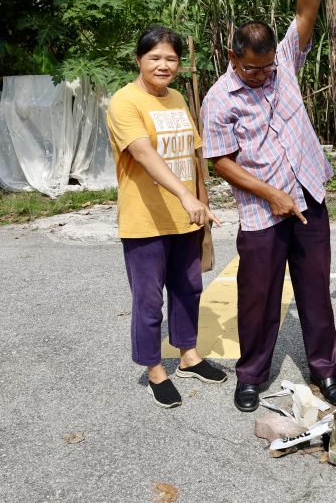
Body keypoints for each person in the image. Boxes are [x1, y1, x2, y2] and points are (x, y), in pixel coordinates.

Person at [201, 0, 336, 413]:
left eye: (267, 69)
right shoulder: (220, 99)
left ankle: (326, 369)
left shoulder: (284, 62)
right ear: (232, 57)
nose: (263, 76)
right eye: (252, 69)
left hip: (308, 196)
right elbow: (220, 161)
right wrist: (270, 194)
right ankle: (251, 375)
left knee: (315, 291)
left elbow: (307, 8)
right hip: (263, 214)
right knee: (258, 298)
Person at [106, 25, 226, 409]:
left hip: (187, 218)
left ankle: (188, 355)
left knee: (189, 288)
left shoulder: (177, 99)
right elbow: (143, 154)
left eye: (170, 59)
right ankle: (154, 368)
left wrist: (202, 204)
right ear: (138, 60)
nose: (163, 65)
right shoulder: (124, 102)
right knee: (147, 299)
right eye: (154, 58)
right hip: (145, 221)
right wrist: (184, 196)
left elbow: (194, 156)